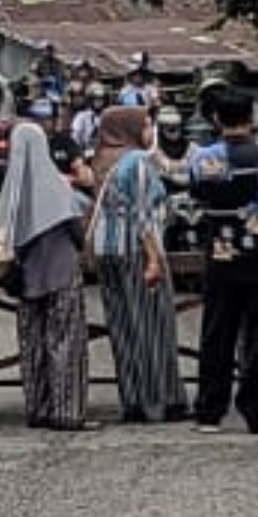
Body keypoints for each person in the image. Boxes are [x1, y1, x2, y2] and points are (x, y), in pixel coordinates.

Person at [188, 89, 258, 434]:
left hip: (221, 257)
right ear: (252, 119)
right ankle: (256, 409)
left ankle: (210, 412)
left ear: (217, 119)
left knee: (217, 334)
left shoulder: (203, 160)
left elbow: (198, 196)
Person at [91, 106, 188, 423]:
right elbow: (143, 213)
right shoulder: (136, 161)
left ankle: (133, 399)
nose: (150, 132)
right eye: (146, 126)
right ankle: (163, 400)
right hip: (136, 250)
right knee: (153, 324)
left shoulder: (102, 159)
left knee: (123, 326)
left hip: (107, 251)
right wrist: (154, 258)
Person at [0, 123, 94, 430]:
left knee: (33, 344)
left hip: (27, 278)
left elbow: (6, 234)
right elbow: (77, 232)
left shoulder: (13, 190)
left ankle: (38, 408)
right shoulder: (55, 185)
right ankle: (67, 412)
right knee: (65, 342)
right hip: (62, 273)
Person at [27, 99, 95, 193]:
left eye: (44, 119)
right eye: (35, 118)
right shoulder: (26, 143)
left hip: (61, 194)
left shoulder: (65, 142)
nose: (38, 122)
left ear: (55, 120)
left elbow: (85, 177)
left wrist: (68, 179)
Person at [151, 105, 195, 189]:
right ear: (160, 128)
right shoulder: (154, 151)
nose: (172, 128)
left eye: (176, 125)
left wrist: (169, 176)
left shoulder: (193, 148)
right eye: (167, 125)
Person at [70, 82, 107, 152]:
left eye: (101, 99)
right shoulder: (81, 116)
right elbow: (75, 136)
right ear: (90, 100)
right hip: (86, 150)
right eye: (96, 99)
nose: (99, 102)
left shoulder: (107, 116)